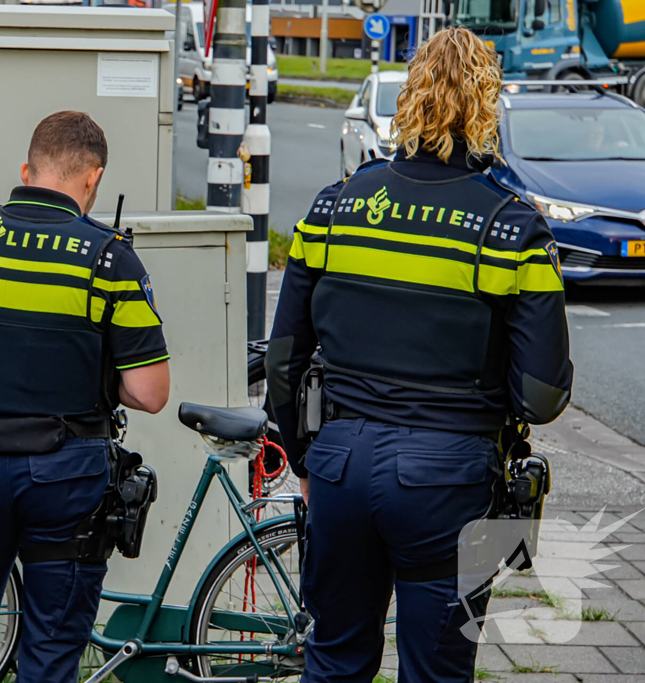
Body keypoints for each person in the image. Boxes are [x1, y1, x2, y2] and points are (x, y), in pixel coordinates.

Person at [265, 28, 573, 683]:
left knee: (334, 657)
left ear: (410, 96)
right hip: (449, 479)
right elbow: (543, 396)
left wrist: (304, 457)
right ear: (485, 102)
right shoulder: (513, 225)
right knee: (435, 668)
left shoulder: (334, 207)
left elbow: (284, 356)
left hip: (341, 467)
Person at [0, 111, 171, 683]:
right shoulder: (110, 258)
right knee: (50, 652)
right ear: (92, 177)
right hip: (66, 475)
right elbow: (149, 394)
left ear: (27, 168)